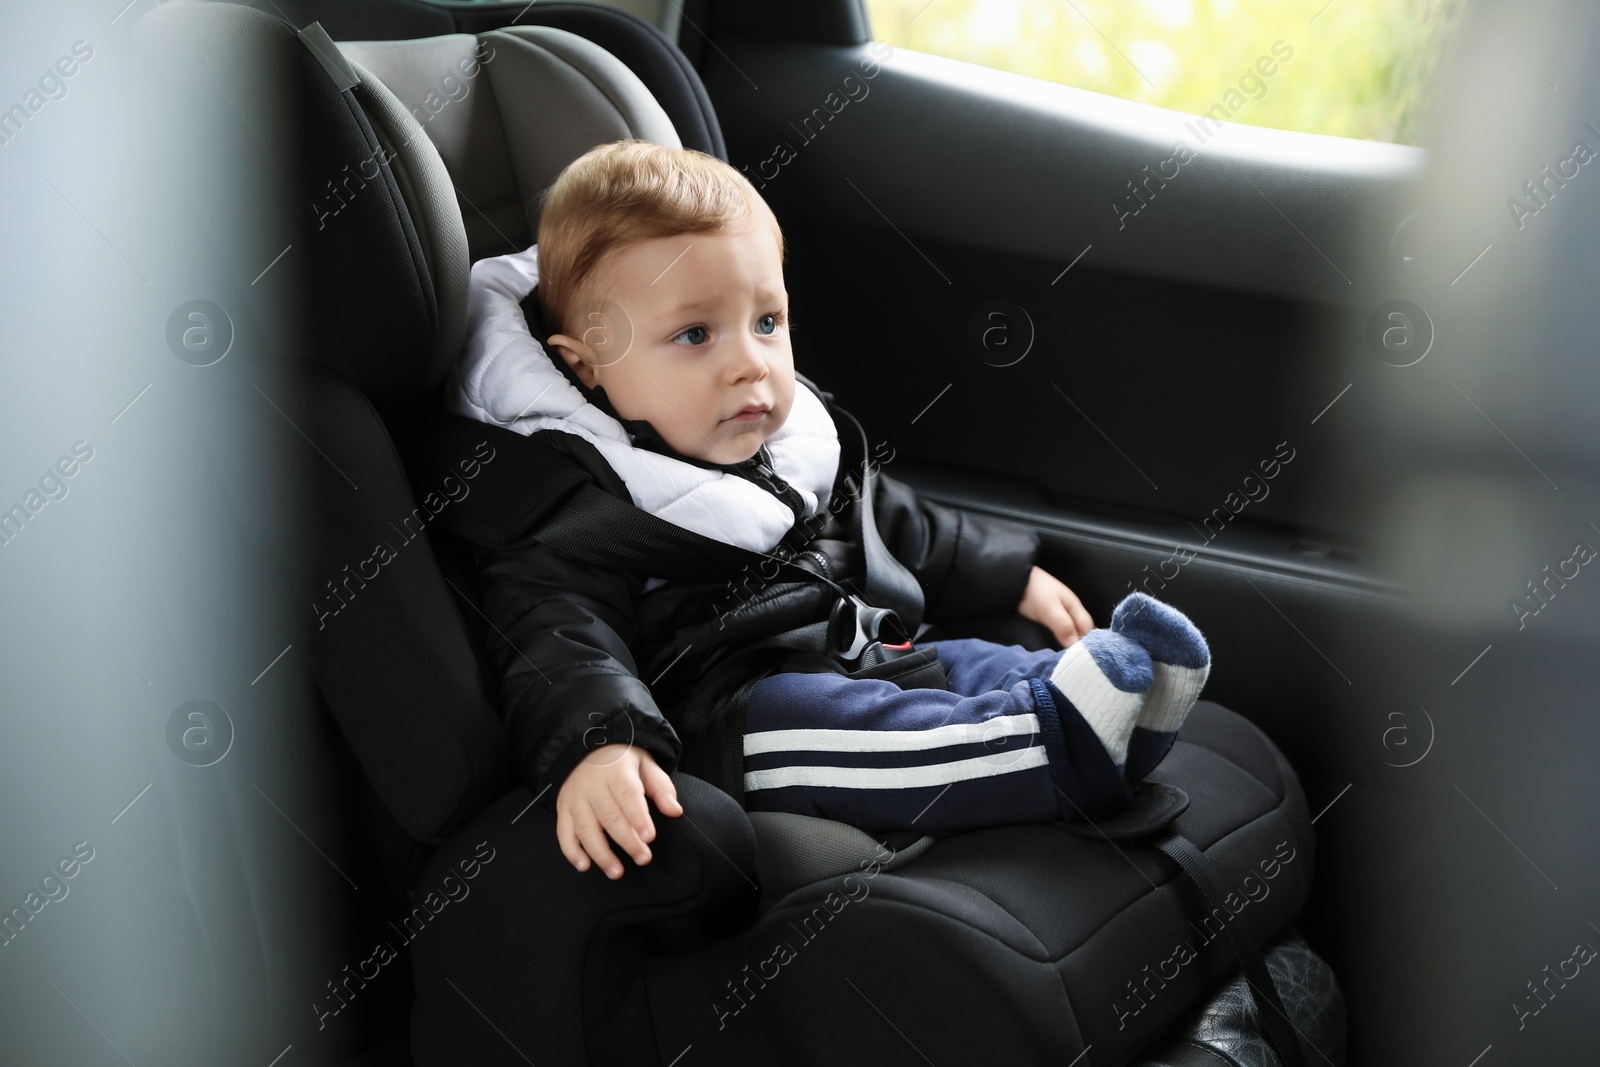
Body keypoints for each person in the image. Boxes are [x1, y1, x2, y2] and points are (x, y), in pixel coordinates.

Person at [448, 140, 1210, 881]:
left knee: (973, 663)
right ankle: (1058, 748)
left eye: (767, 322)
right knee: (874, 732)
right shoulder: (569, 506)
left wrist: (1010, 575)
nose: (750, 360)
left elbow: (893, 521)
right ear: (587, 365)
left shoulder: (778, 444)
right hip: (732, 717)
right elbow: (558, 643)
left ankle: (1110, 702)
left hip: (863, 645)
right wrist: (604, 743)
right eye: (694, 334)